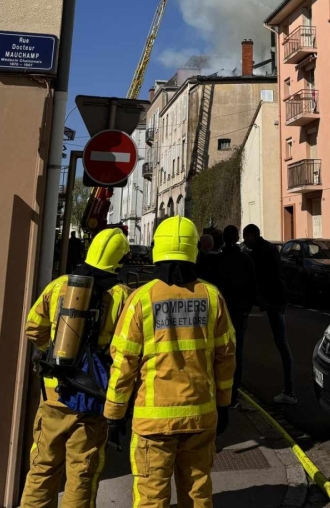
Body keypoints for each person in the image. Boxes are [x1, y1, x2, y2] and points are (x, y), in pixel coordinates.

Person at [104, 215, 236, 508]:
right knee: (197, 494)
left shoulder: (141, 299)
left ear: (156, 250)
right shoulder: (212, 297)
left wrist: (114, 414)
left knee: (151, 499)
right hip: (200, 417)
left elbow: (124, 362)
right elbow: (225, 356)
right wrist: (224, 403)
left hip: (153, 422)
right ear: (194, 251)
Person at [21, 227, 131, 508]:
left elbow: (33, 328)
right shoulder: (121, 296)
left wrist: (57, 355)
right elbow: (129, 350)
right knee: (81, 474)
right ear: (119, 261)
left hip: (54, 393)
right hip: (91, 398)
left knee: (42, 467)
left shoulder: (59, 286)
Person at [243, 223, 296, 404]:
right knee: (282, 343)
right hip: (278, 299)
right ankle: (289, 390)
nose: (244, 240)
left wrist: (263, 302)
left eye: (245, 236)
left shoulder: (259, 252)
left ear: (252, 235)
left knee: (282, 344)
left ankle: (290, 391)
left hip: (274, 301)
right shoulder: (268, 249)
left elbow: (259, 278)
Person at [216, 225, 256, 406]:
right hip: (239, 311)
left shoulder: (219, 260)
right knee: (236, 352)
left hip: (221, 312)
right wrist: (248, 307)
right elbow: (252, 286)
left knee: (219, 350)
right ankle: (233, 395)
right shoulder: (245, 260)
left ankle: (220, 392)